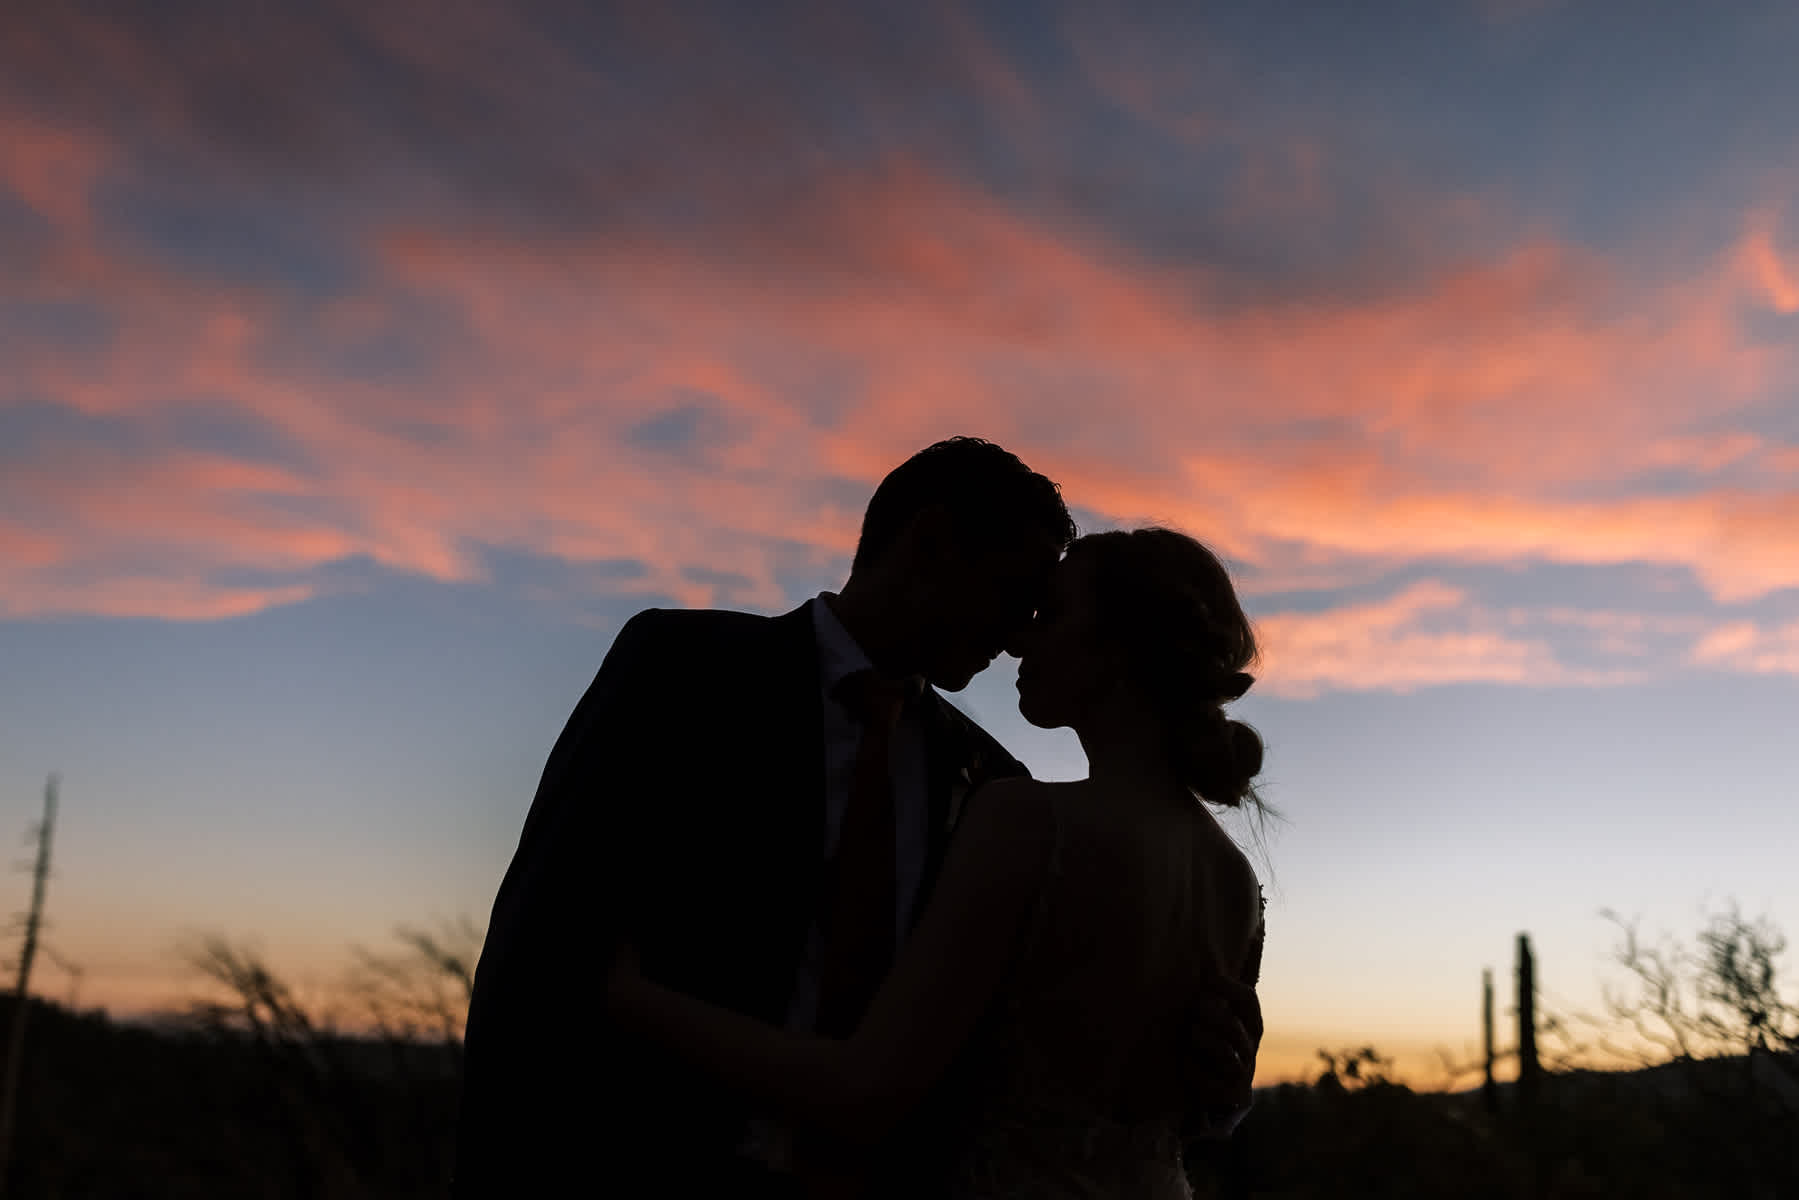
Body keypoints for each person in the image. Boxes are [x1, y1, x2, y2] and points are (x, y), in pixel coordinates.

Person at [452, 439, 1260, 1197]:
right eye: (1016, 597)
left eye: (1042, 614)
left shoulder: (991, 780)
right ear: (932, 544)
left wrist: (1208, 1078)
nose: (1020, 640)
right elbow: (539, 945)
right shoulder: (682, 671)